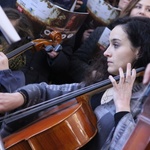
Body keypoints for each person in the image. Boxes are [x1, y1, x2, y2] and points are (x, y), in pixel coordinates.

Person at [0, 17, 150, 150]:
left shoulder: (143, 104)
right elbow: (57, 91)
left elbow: (128, 145)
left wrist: (123, 107)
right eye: (108, 44)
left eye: (116, 45)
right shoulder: (105, 83)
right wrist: (22, 97)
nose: (106, 52)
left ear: (140, 51)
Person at [69, 0, 150, 83]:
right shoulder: (104, 32)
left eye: (116, 45)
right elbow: (76, 61)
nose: (142, 12)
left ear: (139, 51)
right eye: (138, 7)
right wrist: (95, 75)